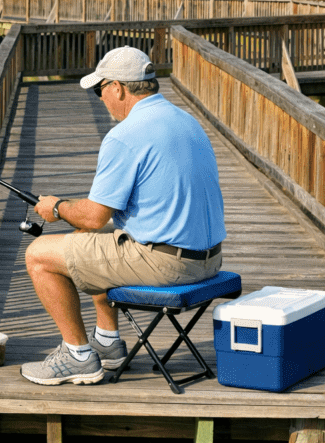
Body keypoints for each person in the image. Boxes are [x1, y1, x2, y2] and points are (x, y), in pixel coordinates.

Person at [21, 46, 225, 386]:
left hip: (171, 267)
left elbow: (93, 217)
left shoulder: (125, 136)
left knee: (39, 255)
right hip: (210, 261)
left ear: (118, 88)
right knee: (93, 244)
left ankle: (78, 356)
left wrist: (55, 207)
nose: (100, 98)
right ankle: (107, 343)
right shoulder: (187, 121)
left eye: (101, 89)